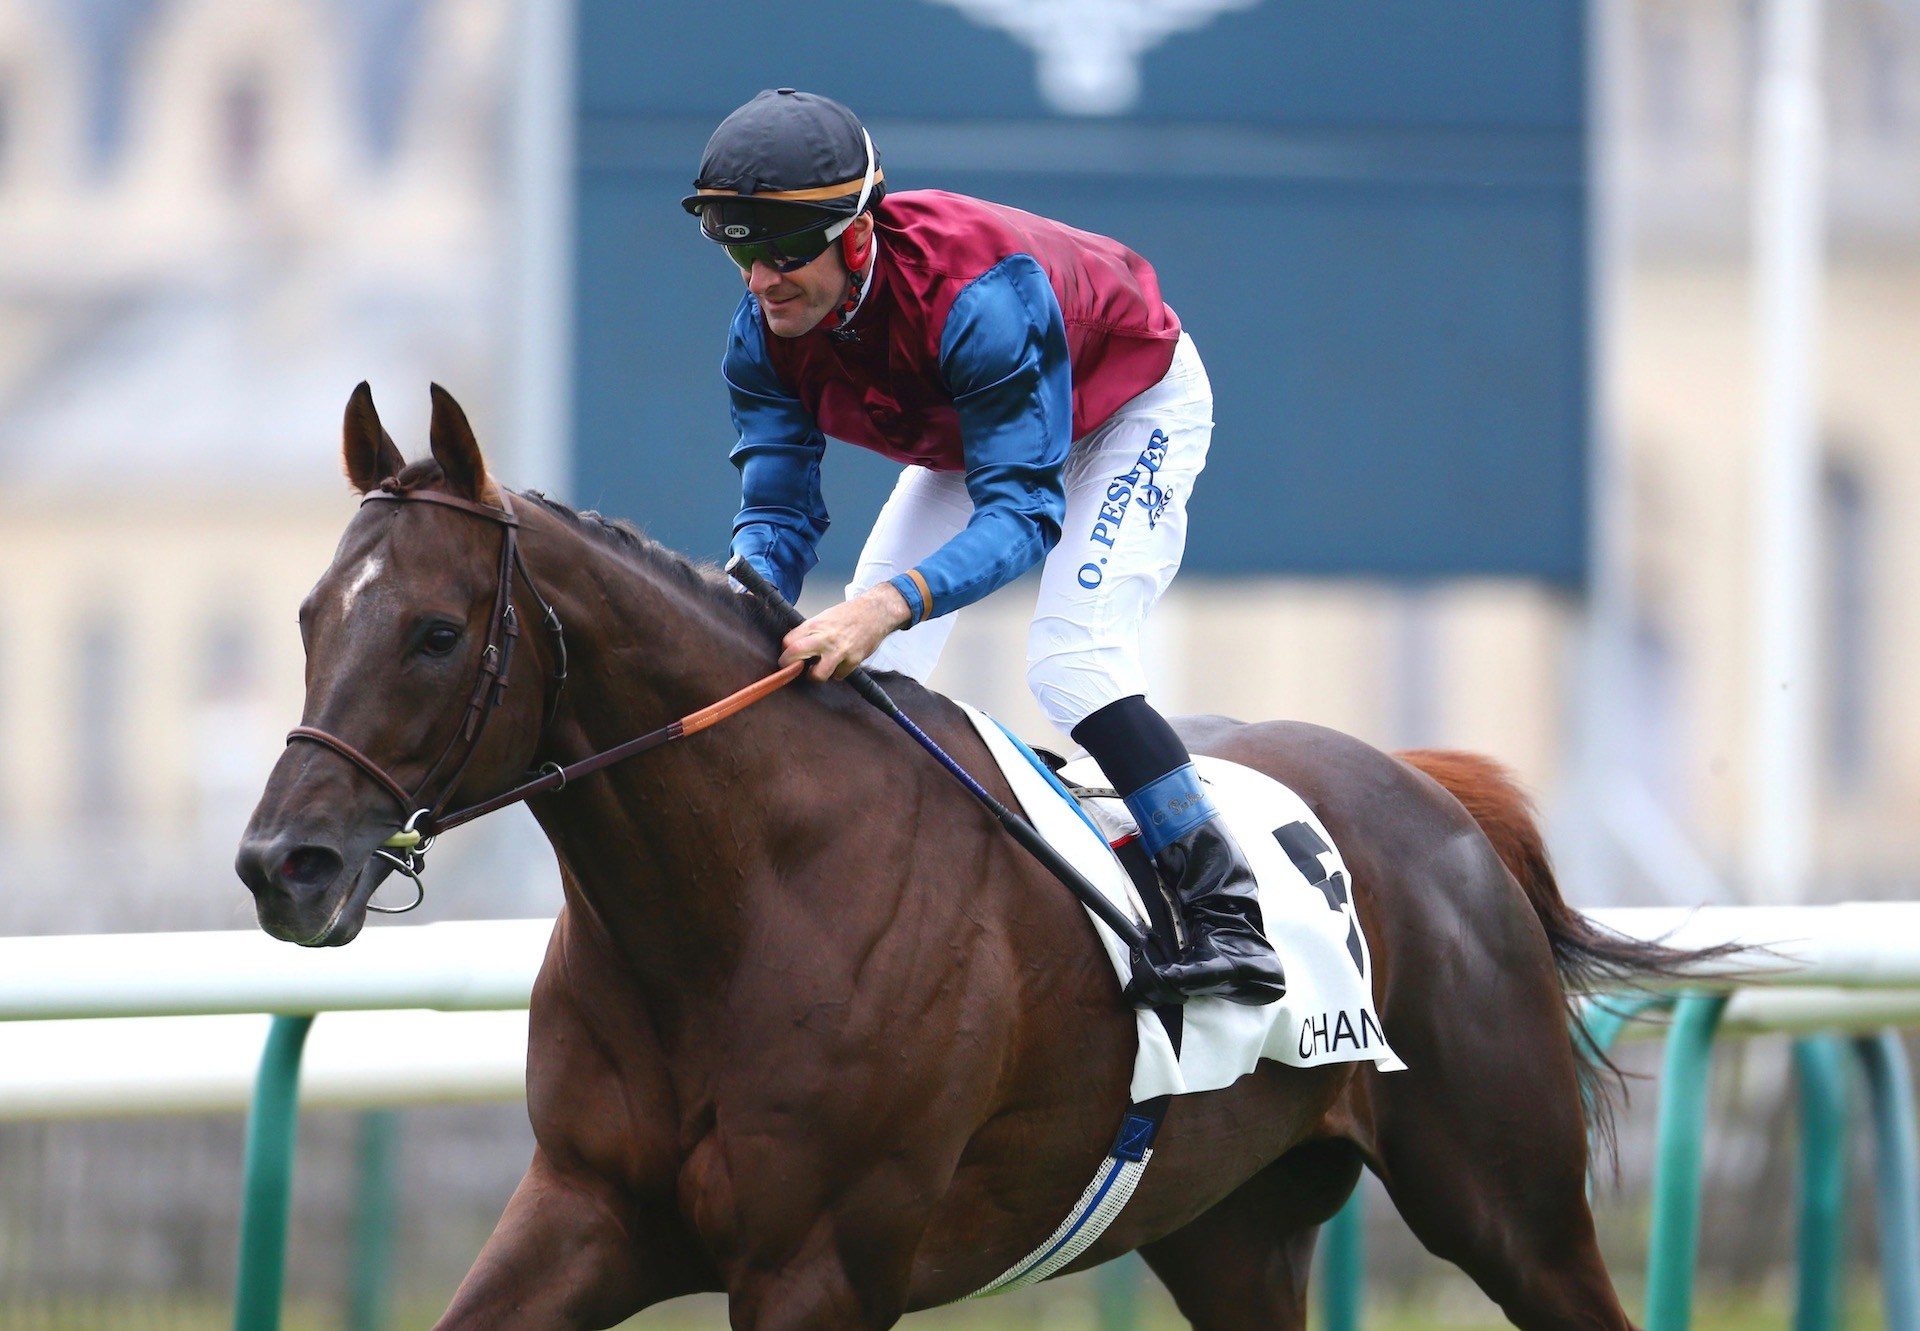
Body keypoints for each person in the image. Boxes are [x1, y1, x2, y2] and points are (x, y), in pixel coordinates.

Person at [685, 88, 1283, 1008]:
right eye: (739, 253)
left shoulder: (978, 297)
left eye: (782, 254)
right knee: (873, 676)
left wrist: (882, 603)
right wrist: (741, 604)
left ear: (855, 236)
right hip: (976, 428)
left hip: (1125, 410)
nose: (761, 281)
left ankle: (1226, 911)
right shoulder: (759, 337)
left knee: (1071, 662)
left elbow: (1022, 516)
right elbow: (778, 514)